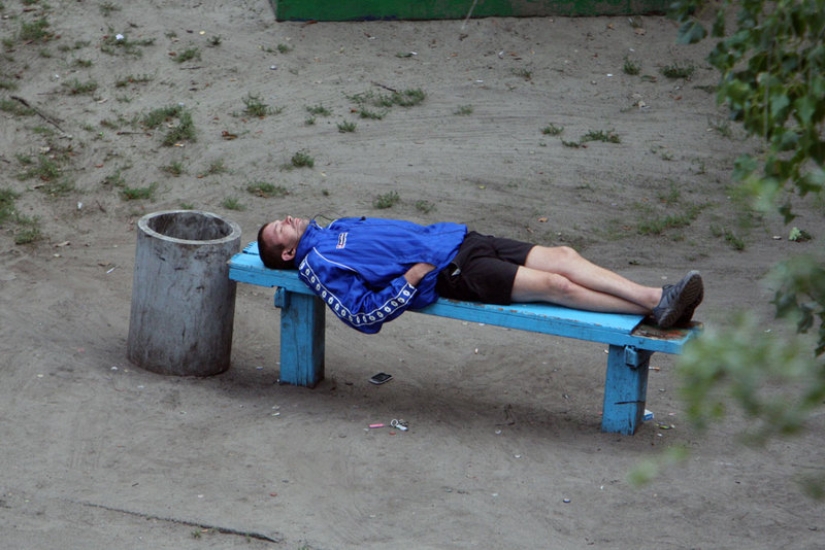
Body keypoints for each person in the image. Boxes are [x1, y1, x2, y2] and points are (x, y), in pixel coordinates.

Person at [257, 215, 703, 335]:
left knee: (563, 255)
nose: (288, 217)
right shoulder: (318, 264)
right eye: (281, 228)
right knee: (556, 286)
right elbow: (359, 315)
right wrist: (409, 281)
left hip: (460, 239)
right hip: (452, 273)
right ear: (288, 252)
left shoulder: (334, 227)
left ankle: (657, 298)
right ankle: (657, 304)